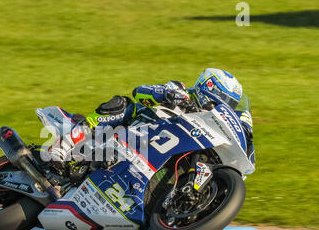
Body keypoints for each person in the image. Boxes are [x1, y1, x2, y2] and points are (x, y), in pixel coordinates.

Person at [48, 68, 253, 178]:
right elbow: (140, 92)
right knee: (124, 104)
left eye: (230, 104)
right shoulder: (179, 90)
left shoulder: (207, 132)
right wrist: (167, 93)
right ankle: (65, 144)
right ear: (206, 88)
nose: (224, 106)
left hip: (146, 159)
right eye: (222, 99)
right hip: (126, 134)